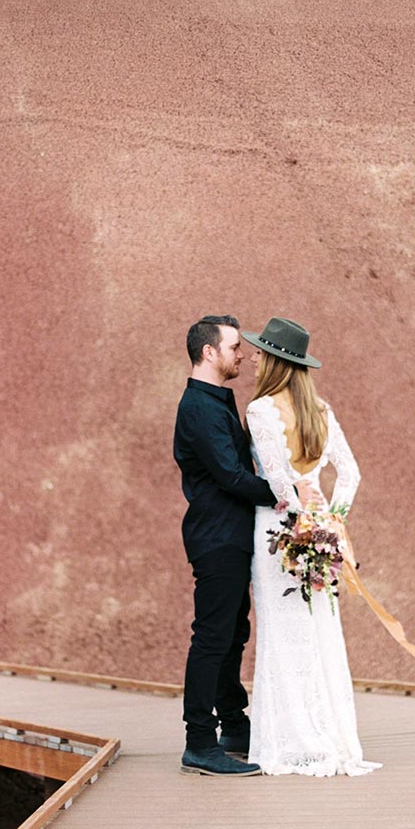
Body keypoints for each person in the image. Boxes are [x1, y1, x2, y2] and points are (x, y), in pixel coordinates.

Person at [242, 317, 382, 776]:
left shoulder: (261, 410)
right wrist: (328, 521)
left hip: (275, 534)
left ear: (276, 362)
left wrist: (296, 512)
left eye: (262, 353)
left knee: (281, 635)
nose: (257, 358)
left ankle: (292, 741)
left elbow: (278, 481)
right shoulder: (322, 410)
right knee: (319, 629)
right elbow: (350, 474)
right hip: (317, 534)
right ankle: (327, 735)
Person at [173, 315, 286, 777]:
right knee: (213, 638)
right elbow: (231, 476)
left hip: (230, 536)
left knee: (232, 635)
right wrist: (286, 496)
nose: (242, 354)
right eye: (235, 347)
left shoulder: (216, 401)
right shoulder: (199, 408)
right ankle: (199, 741)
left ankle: (234, 726)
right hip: (217, 537)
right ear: (209, 353)